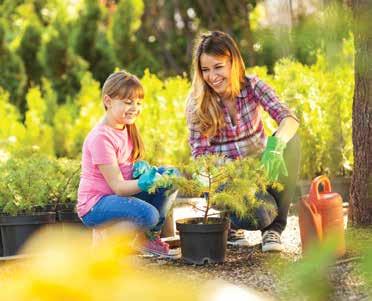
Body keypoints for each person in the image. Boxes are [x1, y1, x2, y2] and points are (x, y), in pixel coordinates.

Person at [186, 31, 300, 252]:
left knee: (291, 140)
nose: (212, 76)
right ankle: (230, 222)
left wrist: (277, 146)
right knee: (258, 216)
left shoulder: (252, 86)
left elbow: (288, 119)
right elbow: (199, 157)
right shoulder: (197, 102)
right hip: (229, 181)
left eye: (218, 67)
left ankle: (273, 231)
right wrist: (227, 175)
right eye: (205, 70)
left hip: (262, 170)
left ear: (233, 63)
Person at [77, 70, 178, 257]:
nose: (135, 108)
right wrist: (143, 183)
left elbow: (125, 166)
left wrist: (141, 168)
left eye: (139, 103)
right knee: (149, 215)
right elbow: (118, 187)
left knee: (172, 175)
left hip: (120, 198)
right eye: (128, 102)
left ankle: (148, 238)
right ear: (108, 101)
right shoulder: (101, 137)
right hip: (96, 205)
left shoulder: (126, 127)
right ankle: (105, 243)